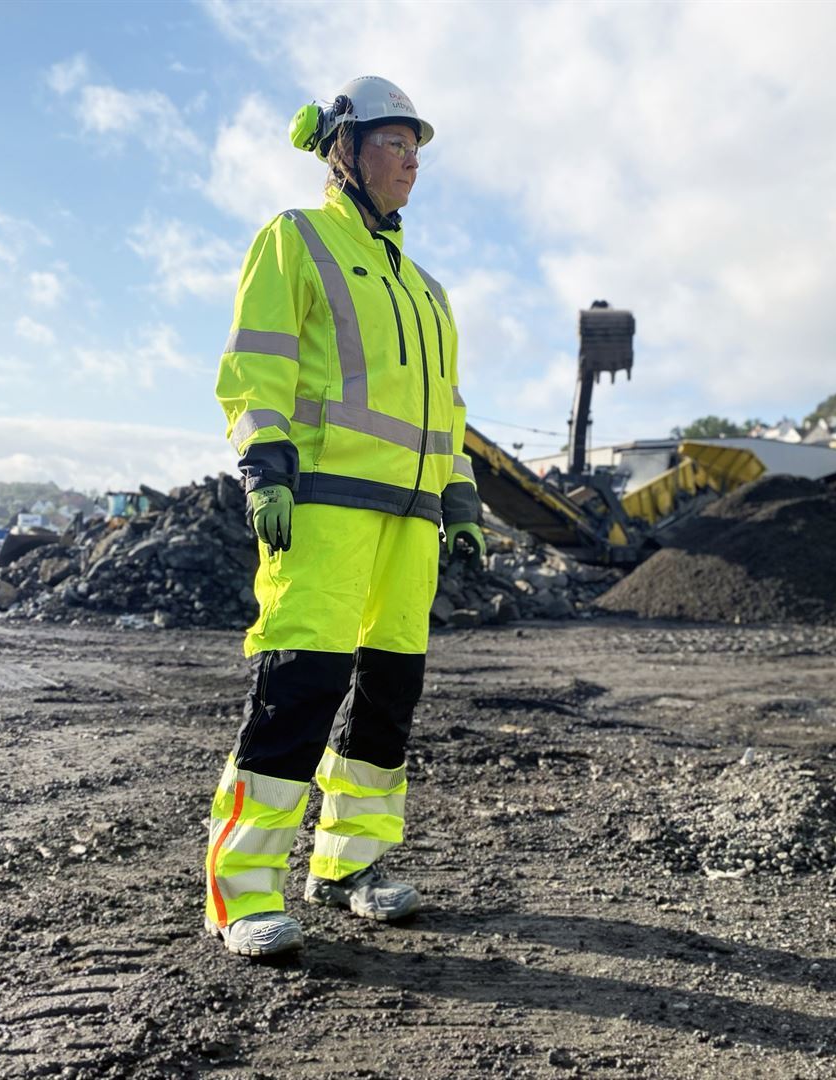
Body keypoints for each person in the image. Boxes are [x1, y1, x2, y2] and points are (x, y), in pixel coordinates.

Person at [203, 75, 484, 958]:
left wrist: (464, 498)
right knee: (299, 690)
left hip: (410, 524)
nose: (410, 160)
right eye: (395, 142)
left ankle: (348, 863)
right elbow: (258, 364)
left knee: (386, 701)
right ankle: (242, 892)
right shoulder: (298, 239)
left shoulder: (430, 291)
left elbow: (449, 409)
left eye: (417, 147)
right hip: (321, 510)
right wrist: (264, 468)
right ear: (345, 150)